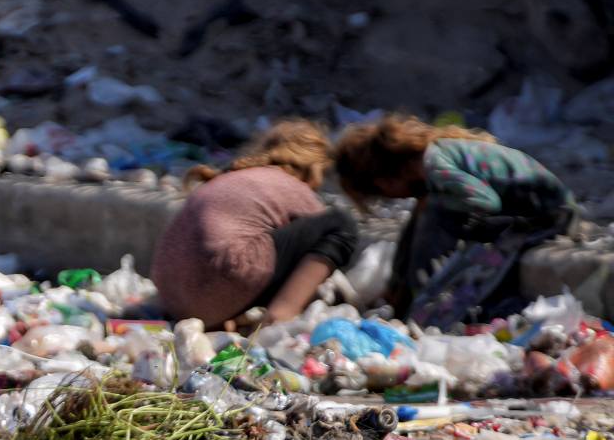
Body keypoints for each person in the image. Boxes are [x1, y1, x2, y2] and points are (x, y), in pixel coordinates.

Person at [335, 115, 575, 328]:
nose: (394, 197)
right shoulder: (434, 158)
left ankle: (418, 312)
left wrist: (437, 203)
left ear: (385, 179)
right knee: (425, 214)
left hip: (548, 212)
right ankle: (402, 298)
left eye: (383, 192)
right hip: (531, 210)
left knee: (435, 216)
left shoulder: (436, 166)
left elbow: (486, 201)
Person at [151, 120, 359, 329]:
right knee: (341, 223)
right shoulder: (290, 185)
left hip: (173, 300)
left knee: (261, 248)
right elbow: (324, 245)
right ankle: (280, 317)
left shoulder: (232, 178)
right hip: (217, 286)